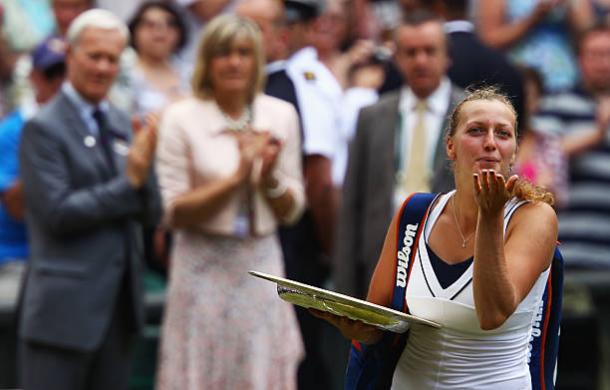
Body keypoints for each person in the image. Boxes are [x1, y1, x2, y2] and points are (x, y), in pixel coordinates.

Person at [315, 87, 558, 389]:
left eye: (503, 134)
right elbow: (379, 319)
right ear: (450, 146)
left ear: (514, 151)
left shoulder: (534, 217)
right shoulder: (415, 212)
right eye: (476, 130)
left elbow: (493, 313)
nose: (491, 143)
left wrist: (491, 218)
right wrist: (358, 328)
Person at [155, 14, 304, 390]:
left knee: (260, 369)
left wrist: (268, 178)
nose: (234, 62)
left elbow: (293, 210)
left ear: (257, 60)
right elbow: (172, 211)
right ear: (208, 61)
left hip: (260, 261)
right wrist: (238, 177)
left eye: (243, 53)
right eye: (223, 53)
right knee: (199, 371)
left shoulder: (280, 115)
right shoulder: (180, 117)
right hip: (200, 262)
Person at [18, 9, 161, 390]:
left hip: (119, 310)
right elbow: (58, 214)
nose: (102, 67)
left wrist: (145, 174)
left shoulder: (122, 121)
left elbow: (153, 212)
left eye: (112, 59)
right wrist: (129, 184)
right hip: (61, 316)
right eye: (93, 56)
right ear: (70, 55)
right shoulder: (42, 128)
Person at [335, 10, 464, 300]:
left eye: (430, 51)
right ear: (397, 58)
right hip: (380, 261)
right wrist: (345, 289)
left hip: (447, 265)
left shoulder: (471, 113)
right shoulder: (372, 116)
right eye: (411, 52)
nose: (420, 60)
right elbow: (352, 203)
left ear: (447, 57)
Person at [476, 0, 593, 92]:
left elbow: (589, 36)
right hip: (519, 78)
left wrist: (569, 7)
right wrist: (533, 18)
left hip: (566, 79)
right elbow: (489, 40)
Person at [126, 0, 190, 119]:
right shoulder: (124, 74)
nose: (160, 32)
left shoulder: (191, 74)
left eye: (170, 24)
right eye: (150, 25)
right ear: (134, 31)